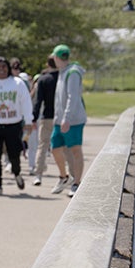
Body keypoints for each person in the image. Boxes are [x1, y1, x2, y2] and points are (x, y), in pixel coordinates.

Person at [0, 56, 33, 195]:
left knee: (14, 154)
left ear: (8, 68)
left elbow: (26, 102)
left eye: (4, 67)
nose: (1, 69)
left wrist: (28, 121)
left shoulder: (17, 83)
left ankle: (17, 173)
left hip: (13, 125)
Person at [51, 44, 87, 197]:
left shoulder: (72, 73)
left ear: (58, 57)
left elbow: (72, 97)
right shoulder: (62, 72)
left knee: (75, 150)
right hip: (60, 120)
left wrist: (67, 118)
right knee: (55, 148)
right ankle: (63, 177)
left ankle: (77, 183)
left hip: (73, 120)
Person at [31, 55, 68, 188]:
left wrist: (34, 118)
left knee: (43, 146)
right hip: (61, 116)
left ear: (48, 64)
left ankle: (38, 175)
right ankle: (67, 173)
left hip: (47, 116)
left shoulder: (43, 79)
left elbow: (38, 101)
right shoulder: (63, 78)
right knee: (63, 147)